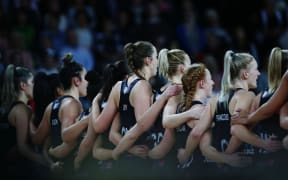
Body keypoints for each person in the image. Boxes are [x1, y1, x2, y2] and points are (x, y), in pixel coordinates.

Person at [92, 41, 180, 178]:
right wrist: (163, 98)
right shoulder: (143, 86)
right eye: (156, 57)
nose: (157, 62)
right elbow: (143, 124)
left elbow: (100, 127)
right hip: (139, 163)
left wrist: (94, 104)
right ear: (148, 60)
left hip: (123, 159)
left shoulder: (118, 86)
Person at [111, 48, 193, 177]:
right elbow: (169, 137)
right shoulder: (178, 93)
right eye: (190, 65)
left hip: (156, 154)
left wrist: (118, 150)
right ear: (183, 68)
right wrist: (151, 154)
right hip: (171, 159)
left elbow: (139, 126)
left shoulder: (157, 92)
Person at [29, 53, 89, 177]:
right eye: (85, 78)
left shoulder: (51, 106)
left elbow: (36, 139)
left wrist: (29, 114)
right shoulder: (72, 104)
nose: (88, 82)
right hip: (71, 172)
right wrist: (53, 153)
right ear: (76, 81)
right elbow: (69, 142)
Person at [74, 60, 130, 174]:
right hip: (122, 164)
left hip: (108, 164)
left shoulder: (103, 100)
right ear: (127, 77)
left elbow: (93, 146)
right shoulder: (117, 99)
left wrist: (77, 162)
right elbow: (96, 134)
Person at [0, 64, 49, 178]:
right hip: (15, 169)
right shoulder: (22, 110)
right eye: (32, 82)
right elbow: (22, 147)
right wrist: (46, 162)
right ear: (23, 85)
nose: (35, 86)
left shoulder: (14, 107)